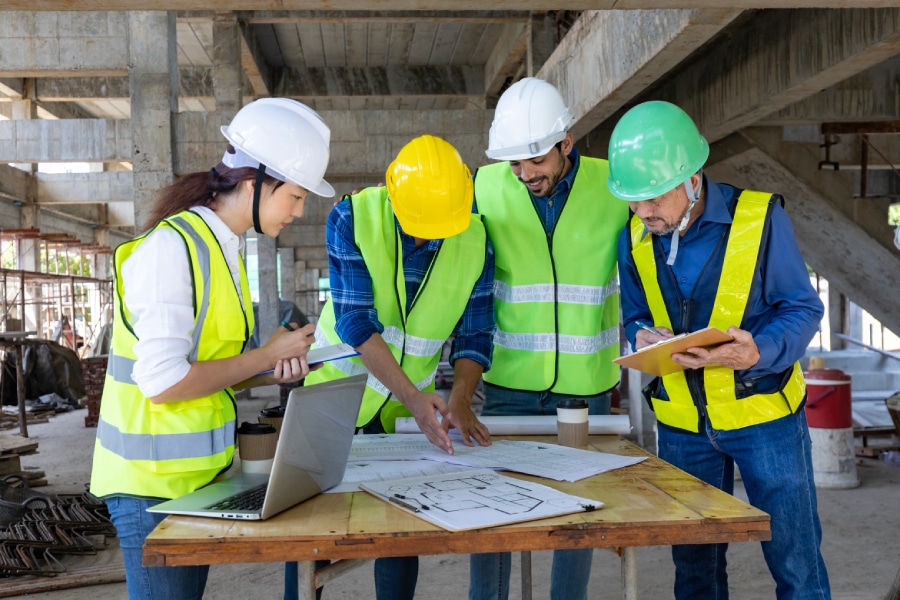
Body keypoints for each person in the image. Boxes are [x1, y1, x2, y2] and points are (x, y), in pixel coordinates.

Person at [89, 97, 335, 600]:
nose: (299, 210)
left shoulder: (222, 247)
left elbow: (208, 369)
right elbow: (162, 383)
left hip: (193, 481)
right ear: (255, 182)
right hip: (148, 486)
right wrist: (265, 356)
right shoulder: (172, 248)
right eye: (295, 195)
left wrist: (273, 369)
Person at [610, 100, 830, 599]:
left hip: (764, 418)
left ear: (692, 177)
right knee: (695, 574)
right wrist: (639, 335)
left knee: (796, 566)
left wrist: (758, 351)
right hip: (683, 425)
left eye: (654, 198)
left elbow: (801, 308)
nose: (645, 212)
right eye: (633, 201)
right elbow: (634, 314)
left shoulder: (759, 218)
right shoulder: (634, 236)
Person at [285, 134, 496, 600]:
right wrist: (416, 400)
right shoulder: (352, 217)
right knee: (309, 536)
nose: (424, 237)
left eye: (436, 228)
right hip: (335, 398)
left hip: (403, 418)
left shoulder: (476, 238)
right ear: (394, 198)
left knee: (401, 536)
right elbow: (355, 321)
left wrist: (459, 401)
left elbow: (475, 334)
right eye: (416, 225)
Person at [470, 77, 629, 600]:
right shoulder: (487, 187)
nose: (524, 174)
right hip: (508, 387)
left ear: (567, 141)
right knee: (490, 515)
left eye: (534, 160)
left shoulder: (614, 184)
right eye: (514, 163)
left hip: (586, 389)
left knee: (575, 519)